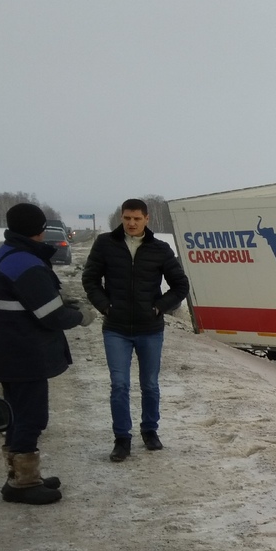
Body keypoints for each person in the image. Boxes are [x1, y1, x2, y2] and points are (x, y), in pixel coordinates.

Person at [0, 202, 90, 504]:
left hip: (5, 350)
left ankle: (20, 476)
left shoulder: (4, 255)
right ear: (39, 230)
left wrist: (58, 300)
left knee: (17, 414)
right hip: (23, 353)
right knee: (30, 416)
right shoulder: (27, 265)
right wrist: (81, 316)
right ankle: (23, 483)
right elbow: (51, 316)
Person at [82, 198, 190, 462]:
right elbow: (90, 279)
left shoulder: (160, 249)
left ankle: (150, 430)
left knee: (150, 385)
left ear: (147, 219)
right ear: (122, 217)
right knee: (119, 385)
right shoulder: (105, 244)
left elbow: (180, 285)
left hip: (149, 329)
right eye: (127, 218)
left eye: (137, 219)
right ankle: (122, 439)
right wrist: (105, 307)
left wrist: (159, 307)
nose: (131, 223)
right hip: (116, 328)